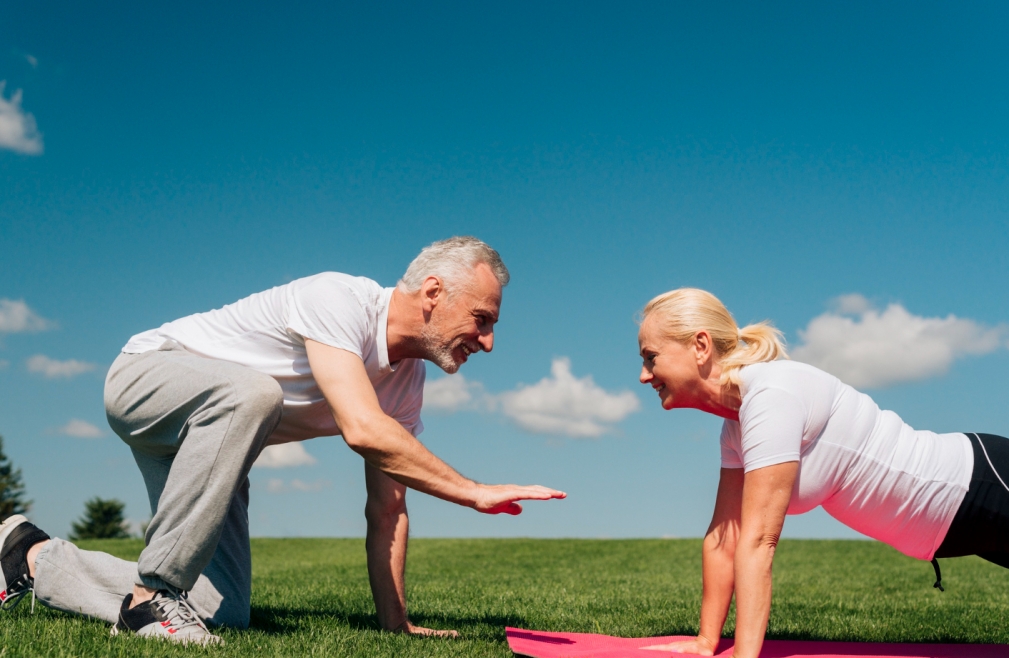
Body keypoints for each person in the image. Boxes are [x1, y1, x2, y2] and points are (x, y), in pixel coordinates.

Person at [0, 236, 566, 645]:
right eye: (482, 319)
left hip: (211, 449)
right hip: (147, 378)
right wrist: (472, 492)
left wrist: (396, 623)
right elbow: (363, 431)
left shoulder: (405, 385)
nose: (488, 342)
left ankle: (28, 554)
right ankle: (151, 601)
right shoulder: (338, 298)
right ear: (434, 292)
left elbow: (387, 510)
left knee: (222, 611)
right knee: (256, 394)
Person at [635, 288, 1007, 658]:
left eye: (651, 358)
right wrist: (705, 642)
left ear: (701, 346)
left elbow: (759, 541)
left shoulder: (771, 396)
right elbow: (724, 537)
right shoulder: (736, 427)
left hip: (980, 484)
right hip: (958, 524)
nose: (643, 375)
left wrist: (744, 656)